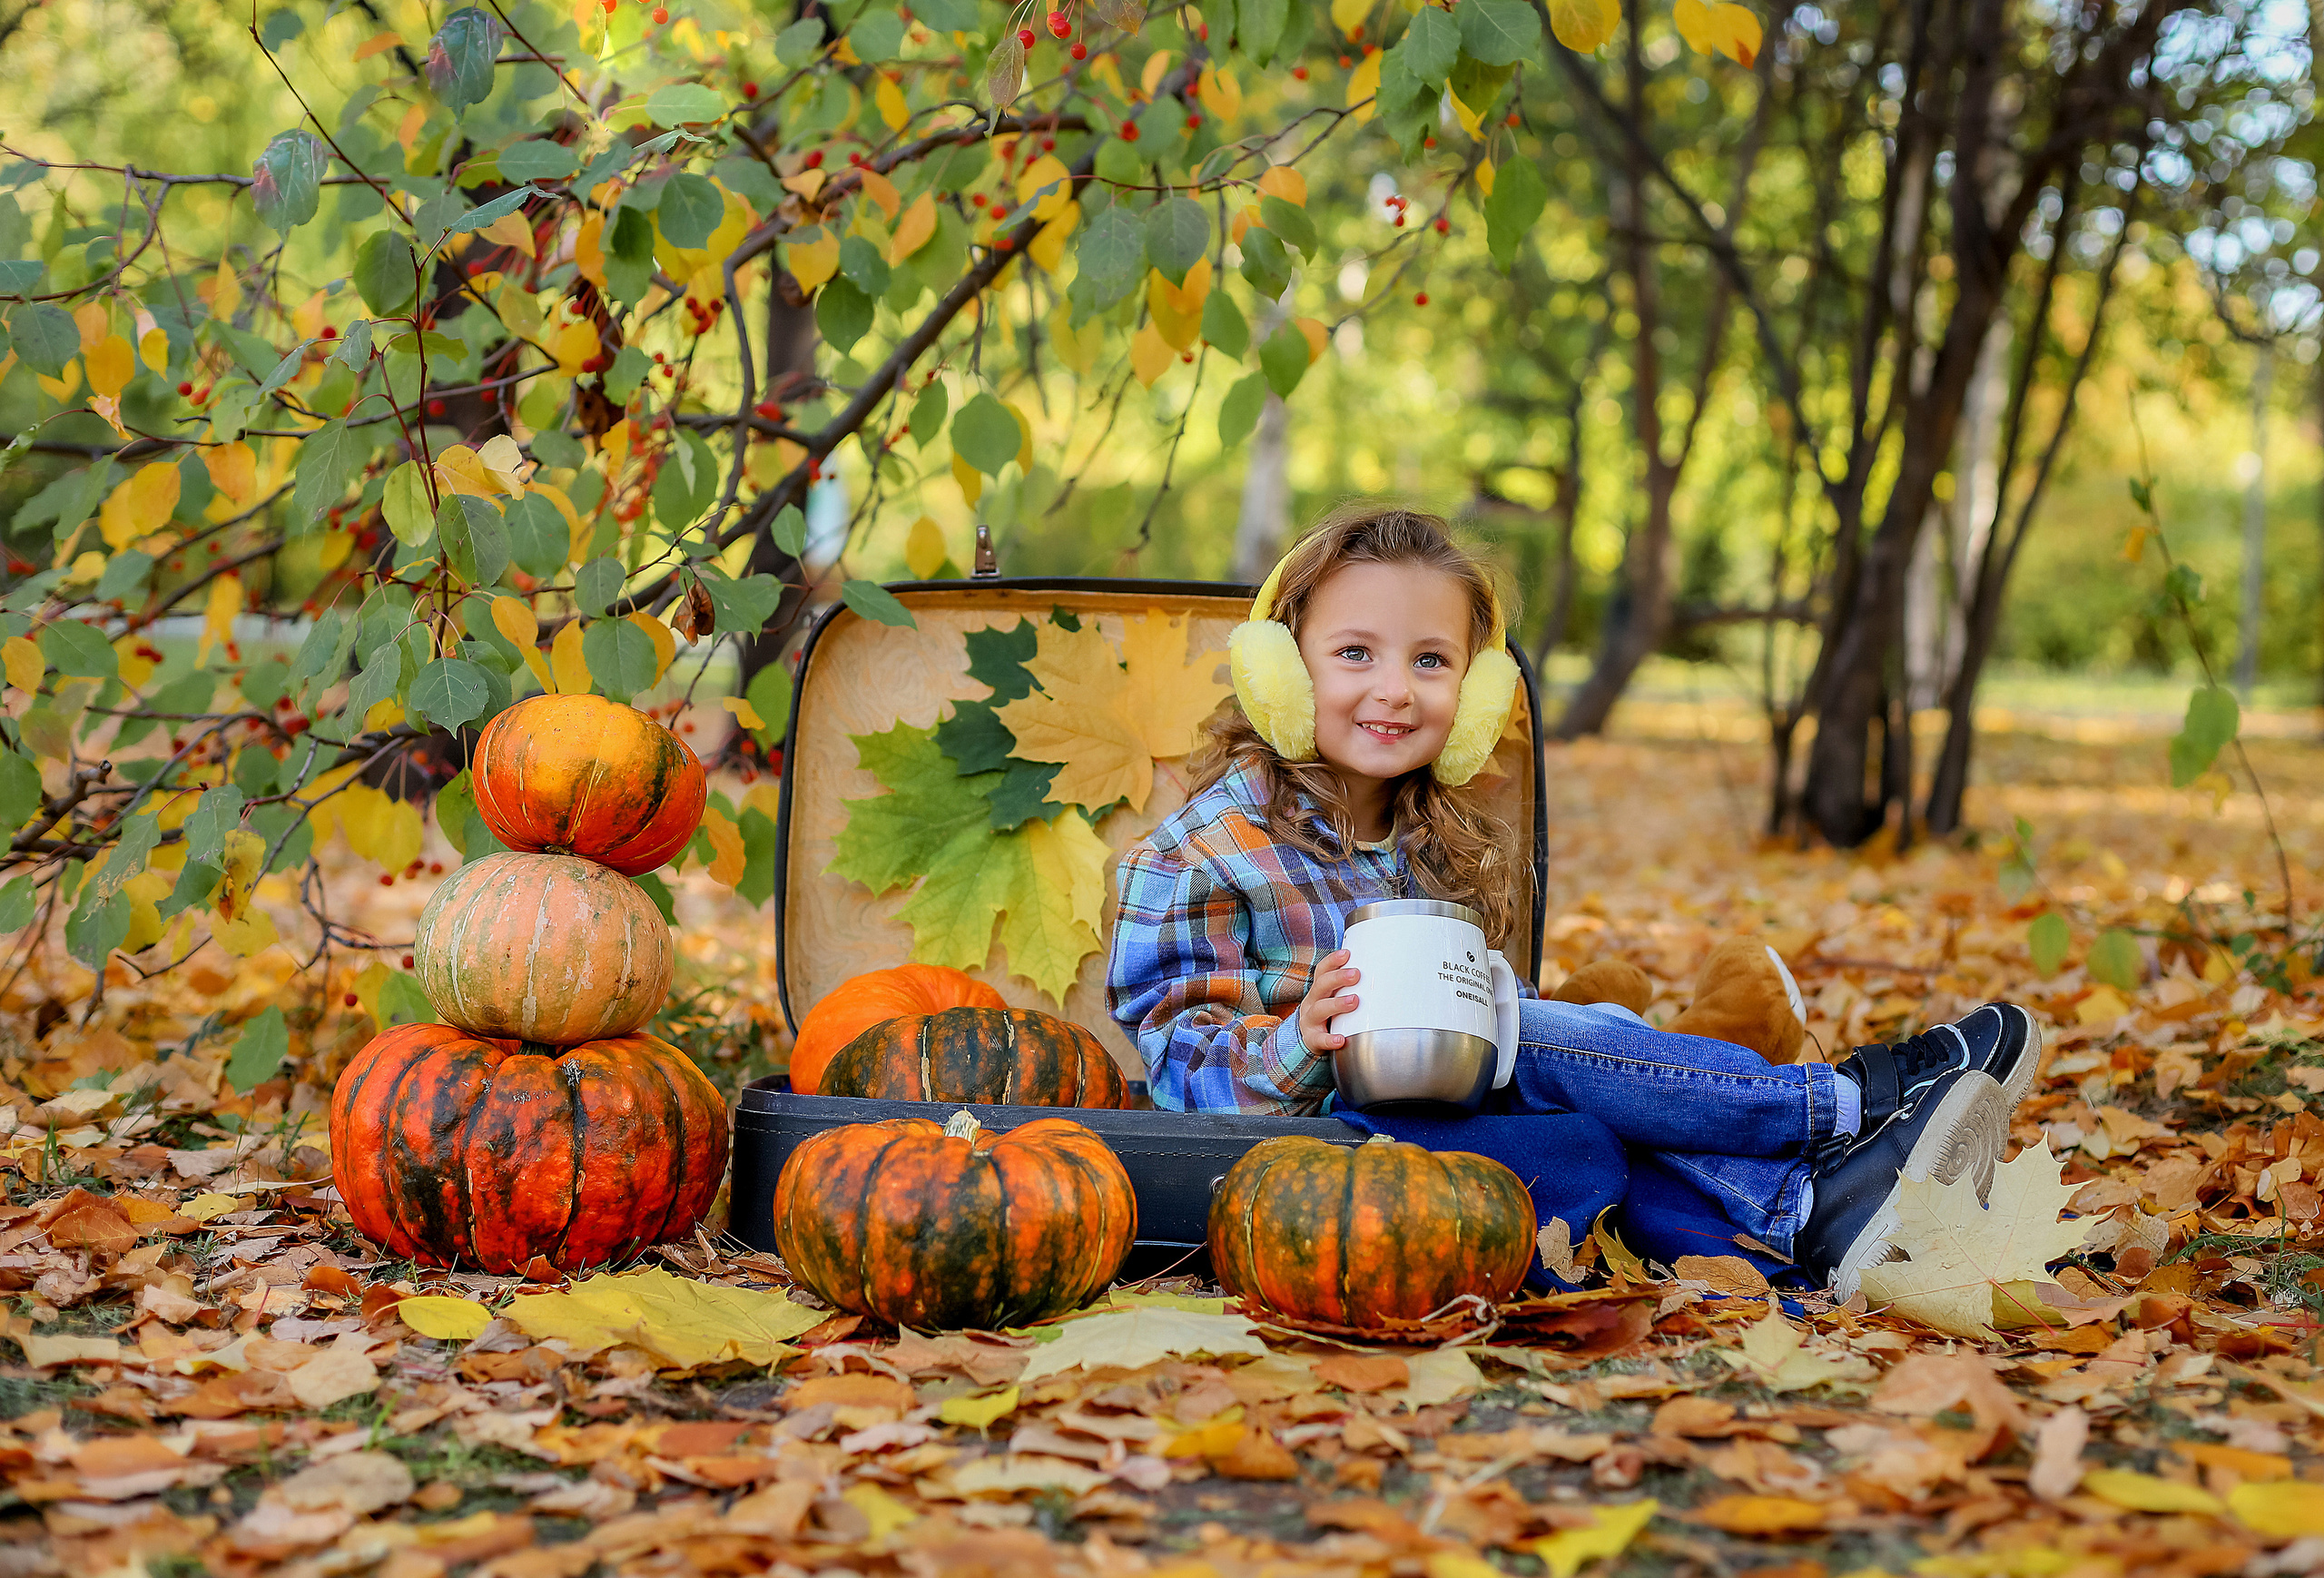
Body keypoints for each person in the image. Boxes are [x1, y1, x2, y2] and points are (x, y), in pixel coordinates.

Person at [1108, 504, 2043, 1297]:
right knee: (1539, 1041)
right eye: (1355, 652)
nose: (1394, 690)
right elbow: (1177, 1070)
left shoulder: (1433, 834)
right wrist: (1297, 1042)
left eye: (1431, 661)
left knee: (1588, 1134)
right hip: (1302, 1165)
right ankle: (1848, 1106)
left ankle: (1809, 1216)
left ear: (1475, 692)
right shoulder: (1201, 852)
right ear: (1280, 670)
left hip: (1453, 1133)